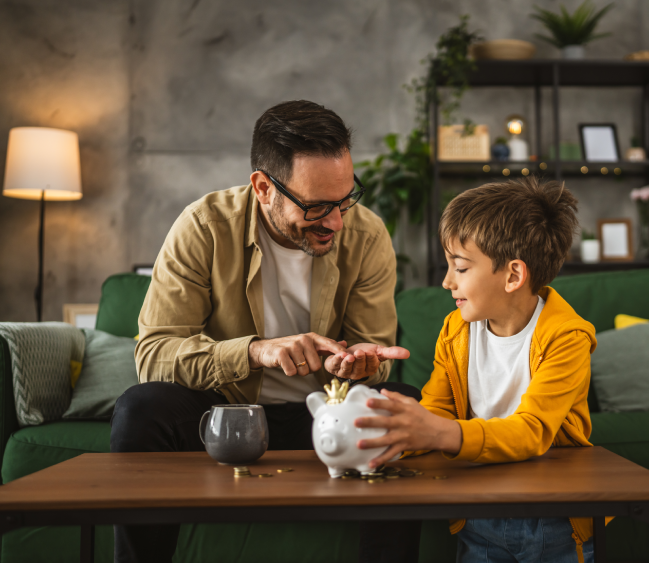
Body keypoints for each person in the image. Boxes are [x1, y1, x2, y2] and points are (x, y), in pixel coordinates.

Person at [110, 100, 422, 563]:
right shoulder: (203, 226)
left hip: (323, 416)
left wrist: (357, 365)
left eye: (344, 200)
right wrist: (257, 352)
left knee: (400, 402)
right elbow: (154, 355)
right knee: (142, 407)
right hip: (224, 414)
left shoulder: (367, 234)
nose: (336, 221)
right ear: (263, 187)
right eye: (317, 206)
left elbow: (370, 357)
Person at [354, 176, 600, 563]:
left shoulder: (567, 338)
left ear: (513, 275)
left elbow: (532, 431)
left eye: (461, 267)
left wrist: (440, 432)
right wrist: (395, 435)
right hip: (478, 511)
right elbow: (437, 408)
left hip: (552, 517)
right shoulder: (456, 330)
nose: (446, 281)